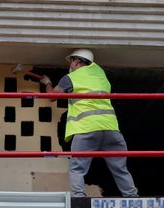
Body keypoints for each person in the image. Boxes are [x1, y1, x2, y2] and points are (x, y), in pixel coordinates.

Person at [39, 49, 138, 197]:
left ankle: (79, 197)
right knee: (120, 168)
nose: (70, 65)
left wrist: (47, 82)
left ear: (77, 61)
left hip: (87, 128)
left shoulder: (71, 78)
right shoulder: (101, 75)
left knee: (77, 167)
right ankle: (132, 196)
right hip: (111, 129)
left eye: (71, 61)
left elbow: (52, 96)